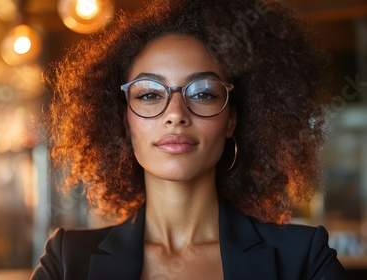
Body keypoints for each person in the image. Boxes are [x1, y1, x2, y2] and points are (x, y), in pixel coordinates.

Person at [31, 0, 348, 279]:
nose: (175, 114)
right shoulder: (67, 261)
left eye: (204, 93)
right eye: (151, 94)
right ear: (124, 122)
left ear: (231, 121)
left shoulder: (304, 259)